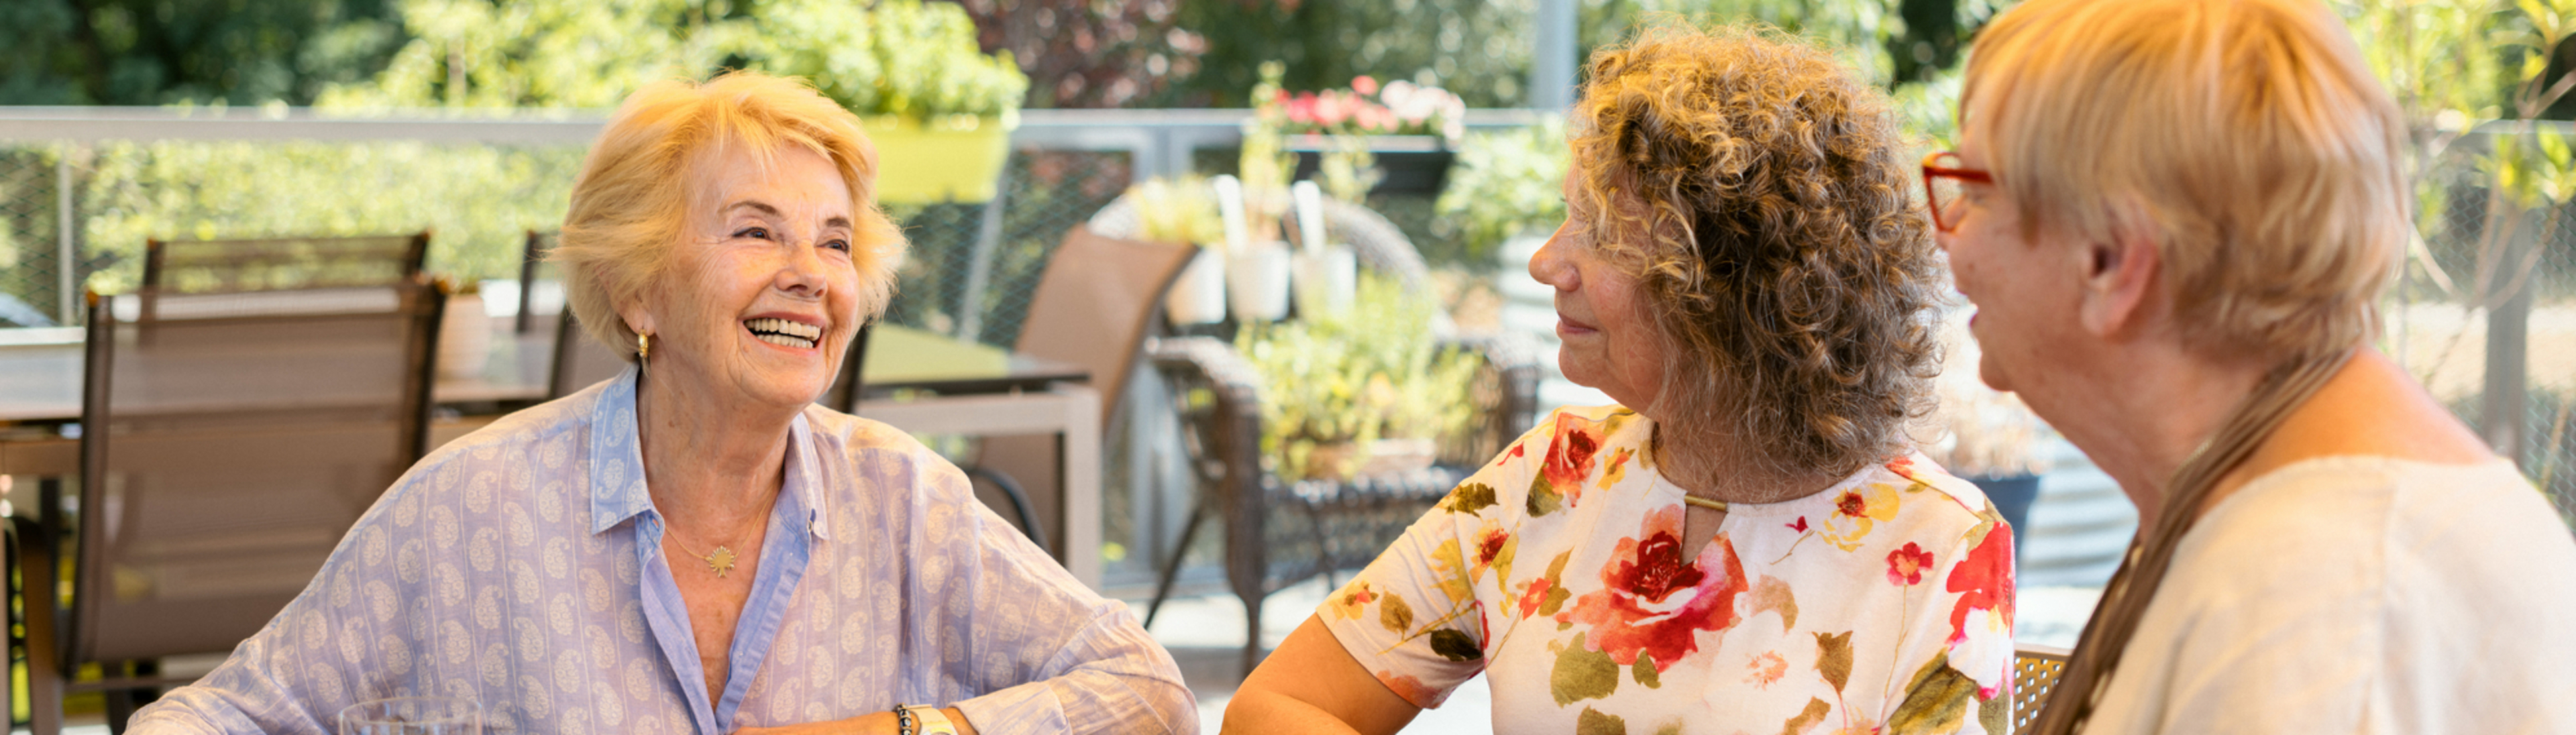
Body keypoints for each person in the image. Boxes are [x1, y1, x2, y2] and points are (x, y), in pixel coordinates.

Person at [129, 71, 1194, 734]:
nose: (810, 273)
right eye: (754, 230)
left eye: (833, 241)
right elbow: (217, 717)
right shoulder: (472, 506)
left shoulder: (903, 497)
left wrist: (910, 732)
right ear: (640, 288)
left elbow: (1149, 693)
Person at [1226, 24, 2017, 734]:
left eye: (1598, 231)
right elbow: (1275, 709)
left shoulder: (1939, 542)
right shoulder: (1552, 477)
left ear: (1729, 284)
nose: (1547, 261)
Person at [1933, 0, 2576, 732]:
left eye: (1975, 192)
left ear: (2111, 261)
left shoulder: (2315, 604)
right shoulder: (2278, 519)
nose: (1951, 240)